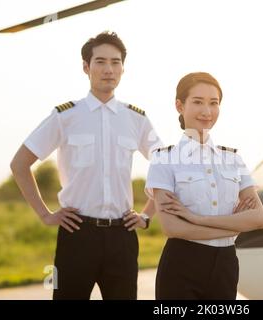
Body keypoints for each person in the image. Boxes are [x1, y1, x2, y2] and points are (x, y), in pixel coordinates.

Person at [10, 31, 163, 300]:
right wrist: (46, 214)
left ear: (123, 69)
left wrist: (147, 214)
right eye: (101, 62)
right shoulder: (65, 116)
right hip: (77, 235)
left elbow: (166, 167)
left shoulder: (136, 119)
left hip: (123, 237)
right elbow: (20, 164)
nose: (109, 70)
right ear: (86, 67)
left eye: (116, 63)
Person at [145, 72, 263, 300]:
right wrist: (234, 227)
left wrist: (197, 219)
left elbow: (259, 218)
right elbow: (173, 227)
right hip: (182, 264)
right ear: (179, 106)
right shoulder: (164, 159)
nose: (207, 111)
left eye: (214, 103)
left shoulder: (233, 159)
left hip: (226, 264)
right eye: (198, 102)